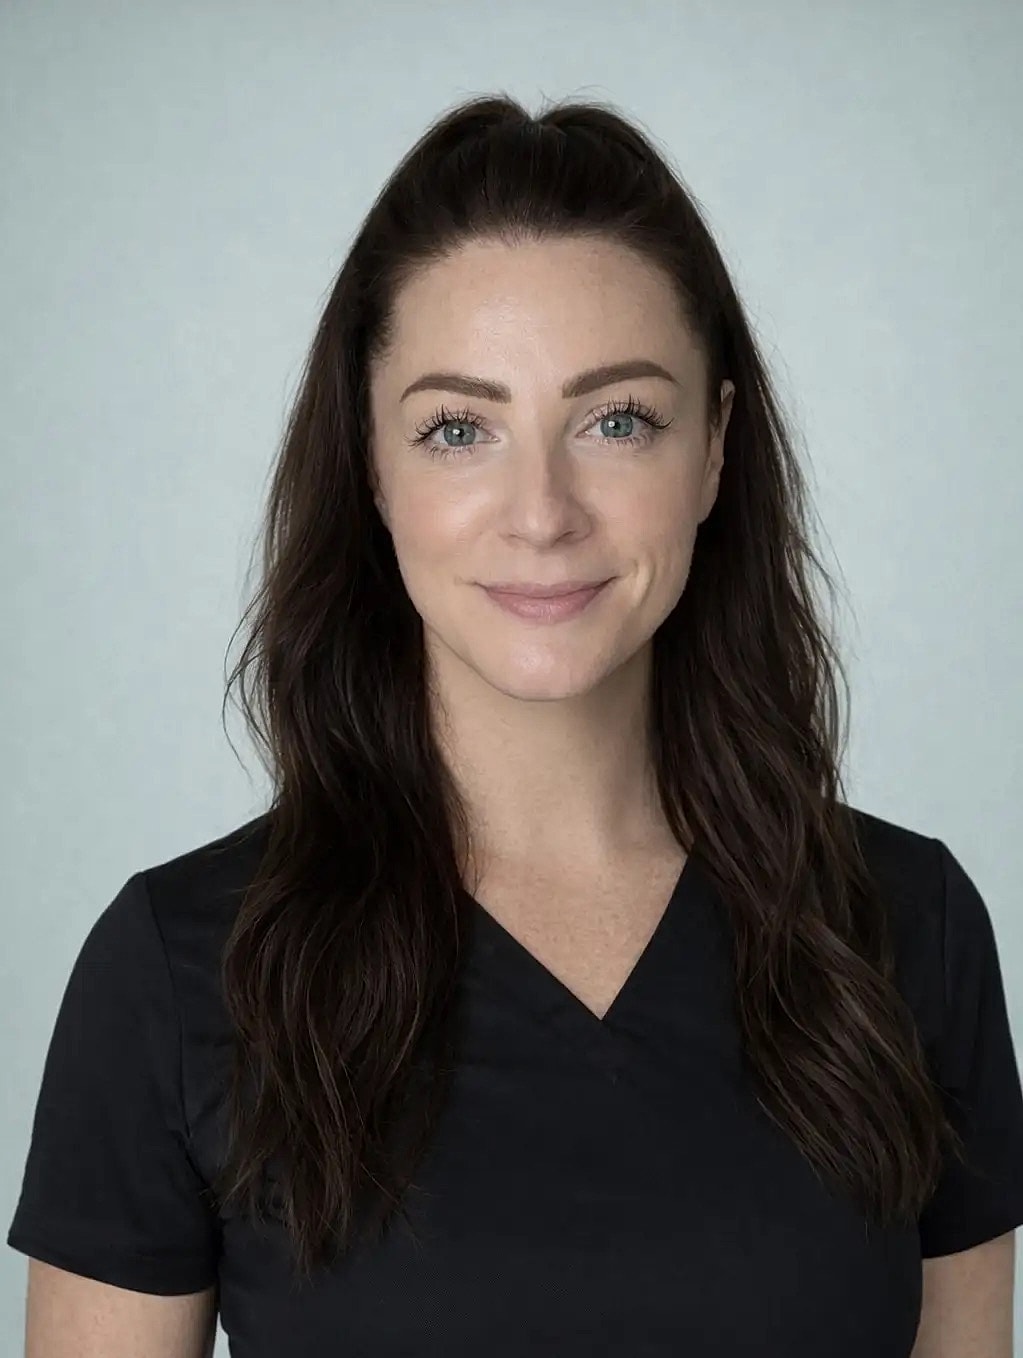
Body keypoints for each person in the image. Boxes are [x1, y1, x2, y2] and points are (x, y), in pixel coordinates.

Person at [7, 93, 1023, 1358]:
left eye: (617, 420)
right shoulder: (177, 973)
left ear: (713, 448)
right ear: (371, 467)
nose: (542, 511)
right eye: (457, 428)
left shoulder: (908, 928)